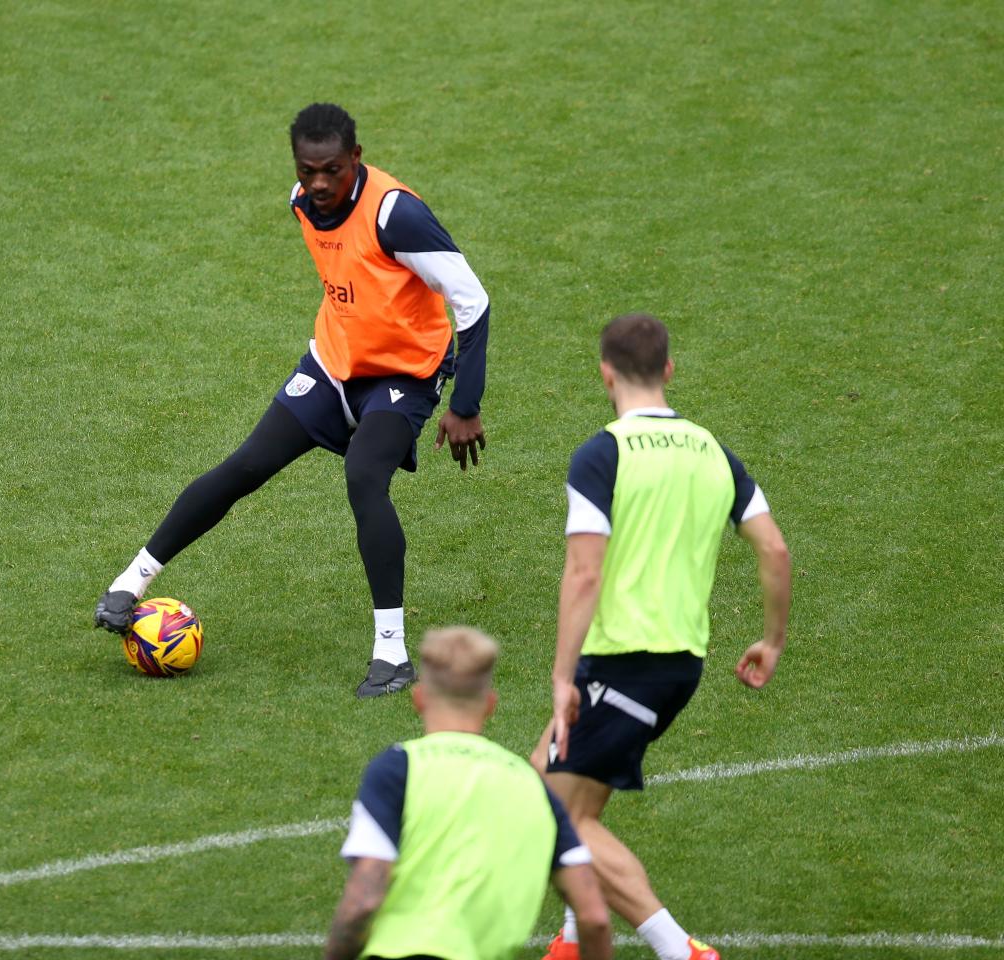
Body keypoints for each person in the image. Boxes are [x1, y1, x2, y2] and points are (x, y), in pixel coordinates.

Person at [94, 102, 490, 698]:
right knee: (247, 465)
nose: (320, 183)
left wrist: (465, 403)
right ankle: (130, 582)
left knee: (365, 476)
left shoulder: (397, 216)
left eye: (332, 170)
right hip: (333, 364)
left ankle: (392, 654)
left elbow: (473, 301)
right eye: (308, 171)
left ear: (356, 157)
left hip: (404, 374)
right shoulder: (301, 202)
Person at [536, 313, 792, 960]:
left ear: (605, 374)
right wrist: (771, 640)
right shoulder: (714, 452)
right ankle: (574, 937)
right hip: (677, 661)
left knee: (553, 814)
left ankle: (680, 950)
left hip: (625, 660)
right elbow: (774, 549)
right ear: (669, 370)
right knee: (548, 779)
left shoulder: (602, 454)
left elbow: (584, 571)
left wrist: (563, 676)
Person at [326, 627, 613, 960]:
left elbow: (363, 901)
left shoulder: (396, 770)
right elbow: (594, 917)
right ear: (490, 704)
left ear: (419, 698)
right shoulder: (530, 784)